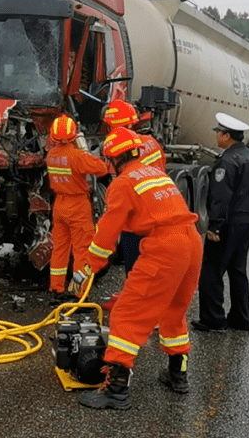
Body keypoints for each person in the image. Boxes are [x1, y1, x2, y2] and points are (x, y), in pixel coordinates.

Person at [69, 127, 202, 410]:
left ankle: (116, 390)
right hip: (191, 241)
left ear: (114, 160)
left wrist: (87, 268)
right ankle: (178, 376)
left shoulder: (123, 182)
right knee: (174, 310)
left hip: (165, 247)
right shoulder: (155, 173)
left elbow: (106, 234)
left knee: (126, 314)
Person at [193, 113, 249, 333]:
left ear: (226, 136)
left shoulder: (227, 160)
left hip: (228, 224)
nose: (217, 137)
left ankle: (213, 320)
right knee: (237, 270)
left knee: (212, 272)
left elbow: (221, 196)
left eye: (219, 133)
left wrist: (215, 225)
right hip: (247, 221)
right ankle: (241, 319)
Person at [45, 114, 108, 305]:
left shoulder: (51, 156)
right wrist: (86, 150)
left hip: (60, 205)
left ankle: (57, 289)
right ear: (74, 135)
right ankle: (78, 294)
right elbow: (102, 169)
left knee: (60, 248)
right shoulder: (77, 156)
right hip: (77, 205)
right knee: (81, 250)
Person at [102, 100, 167, 277]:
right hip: (160, 209)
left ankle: (134, 298)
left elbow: (109, 173)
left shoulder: (122, 149)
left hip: (135, 218)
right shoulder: (151, 142)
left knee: (134, 269)